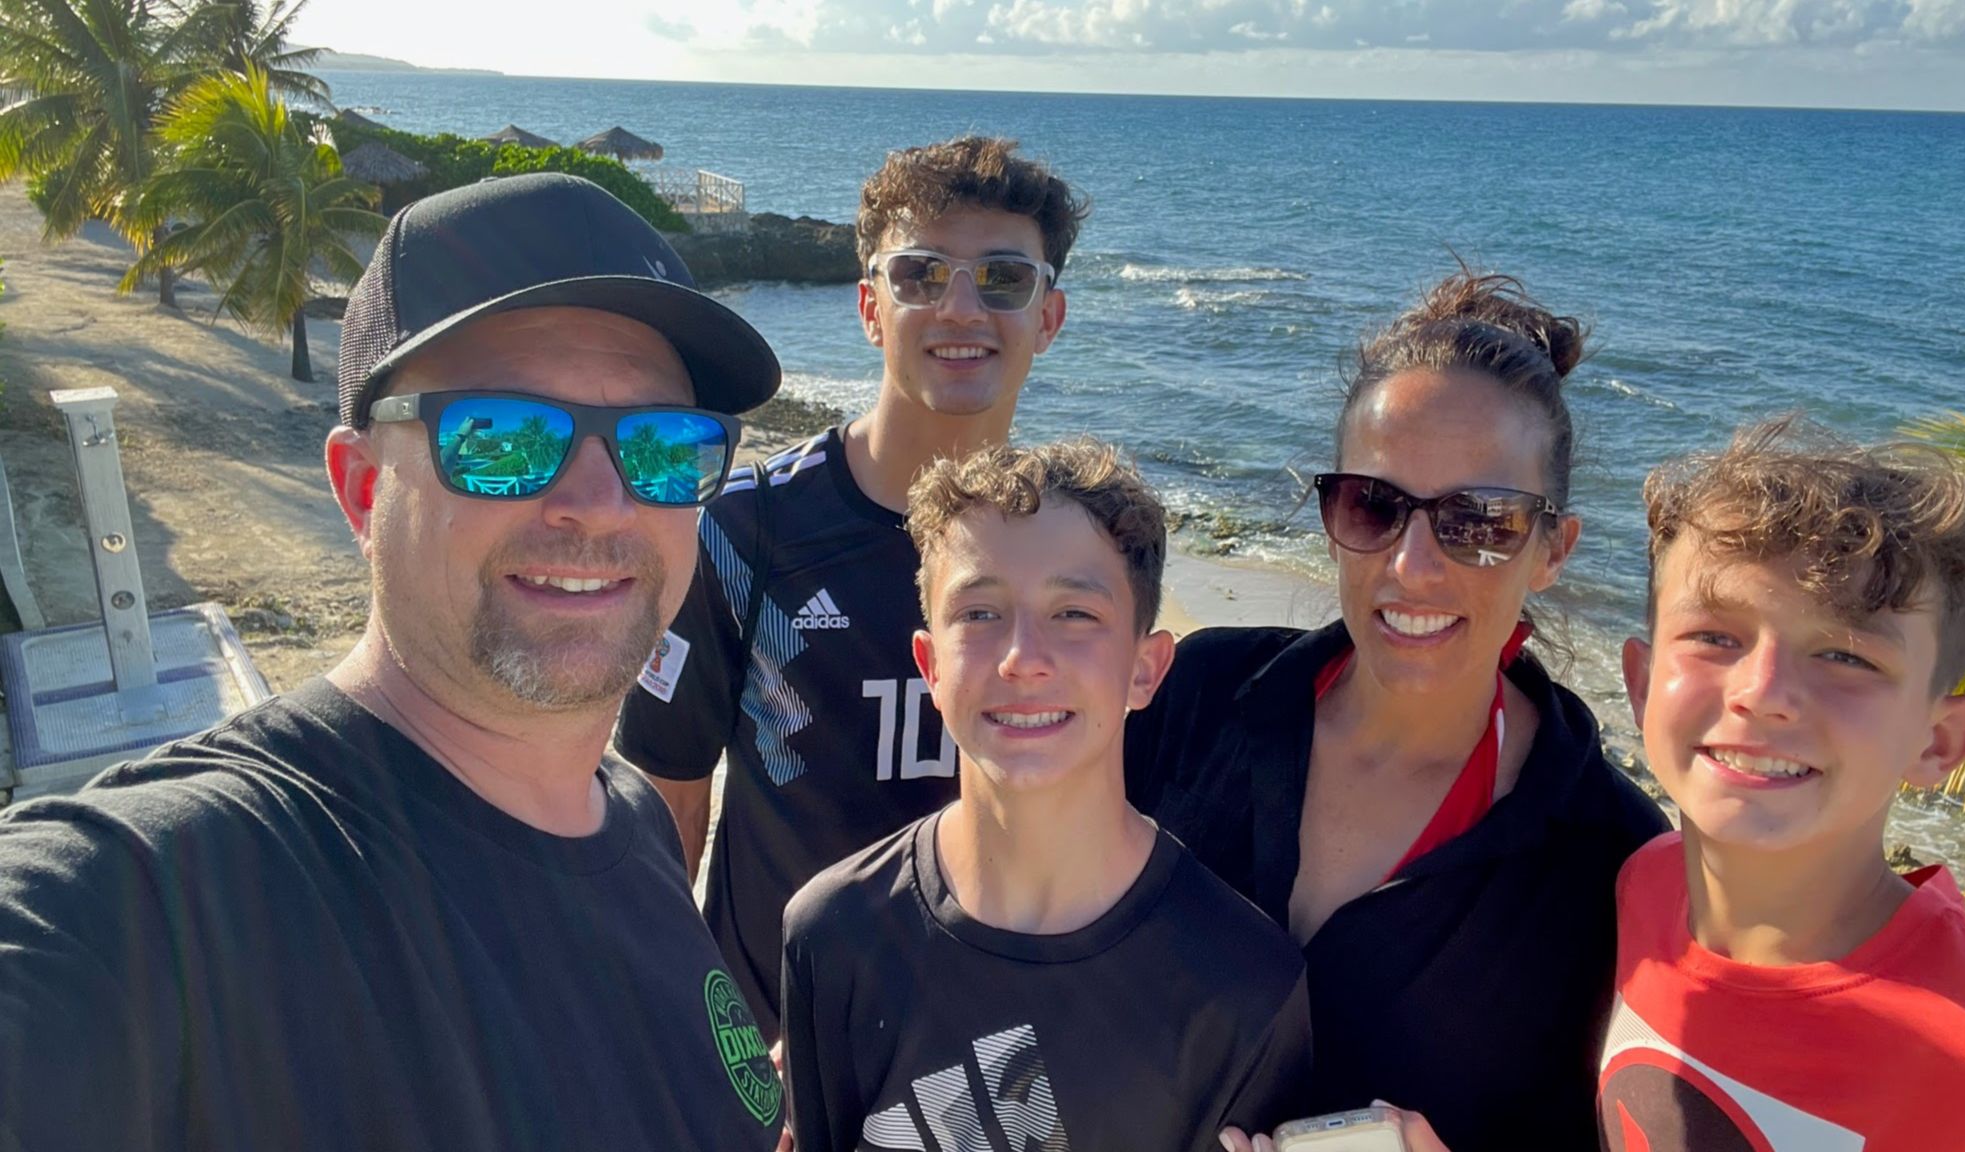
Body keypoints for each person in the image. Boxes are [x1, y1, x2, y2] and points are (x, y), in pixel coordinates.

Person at [0, 174, 788, 1150]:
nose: (599, 503)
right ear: (364, 488)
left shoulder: (633, 825)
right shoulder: (161, 906)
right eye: (503, 437)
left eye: (664, 444)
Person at [1133, 270, 1671, 1152]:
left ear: (1552, 550)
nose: (1413, 566)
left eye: (1480, 520)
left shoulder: (1613, 862)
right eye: (1372, 505)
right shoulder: (1195, 696)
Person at [613, 135, 1085, 1038]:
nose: (959, 307)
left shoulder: (1078, 554)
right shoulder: (741, 531)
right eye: (920, 275)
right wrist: (665, 1034)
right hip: (773, 1052)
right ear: (871, 308)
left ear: (1048, 316)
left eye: (1002, 279)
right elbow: (666, 802)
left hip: (992, 1049)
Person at [781, 440, 1312, 1151]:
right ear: (929, 665)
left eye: (1074, 614)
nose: (1021, 658)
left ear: (1146, 669)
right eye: (979, 613)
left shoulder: (1245, 987)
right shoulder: (832, 931)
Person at [1605, 417, 1965, 1150]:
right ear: (1642, 685)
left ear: (1939, 741)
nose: (1762, 693)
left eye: (1845, 656)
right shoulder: (1643, 886)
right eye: (1715, 637)